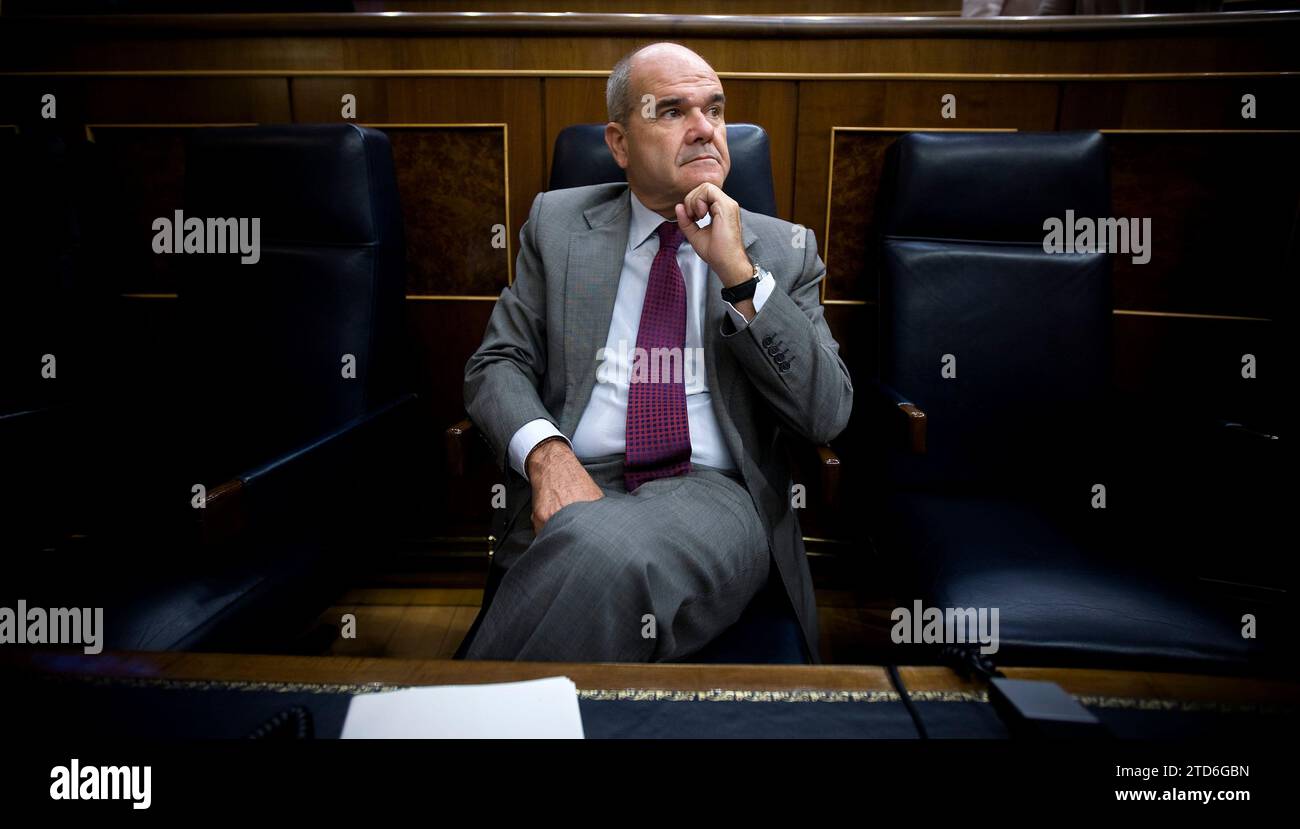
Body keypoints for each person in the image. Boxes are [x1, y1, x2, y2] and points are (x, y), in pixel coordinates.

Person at [461, 42, 852, 662]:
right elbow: (496, 364)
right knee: (591, 547)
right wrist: (547, 457)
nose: (704, 130)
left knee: (593, 548)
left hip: (712, 492)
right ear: (618, 143)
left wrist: (737, 272)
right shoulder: (559, 225)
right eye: (672, 111)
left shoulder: (781, 249)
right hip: (575, 479)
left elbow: (825, 413)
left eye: (715, 110)